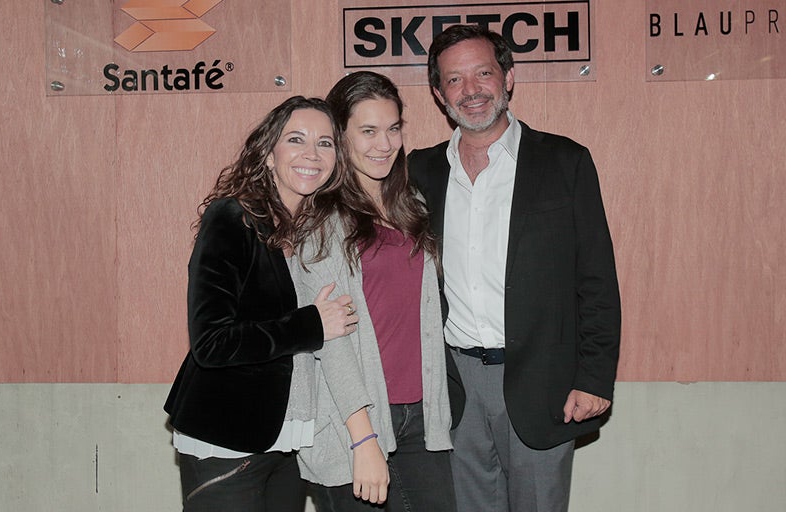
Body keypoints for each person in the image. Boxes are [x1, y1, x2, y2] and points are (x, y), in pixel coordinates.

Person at [407, 25, 622, 512]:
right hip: (454, 386)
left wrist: (594, 378)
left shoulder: (564, 162)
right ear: (439, 94)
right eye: (454, 79)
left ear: (507, 77)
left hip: (543, 381)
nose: (471, 90)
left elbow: (596, 281)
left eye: (483, 73)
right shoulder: (419, 172)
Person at [163, 96, 361, 512]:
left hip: (286, 441)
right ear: (269, 155)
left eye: (325, 143)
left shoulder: (310, 231)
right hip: (225, 439)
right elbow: (212, 343)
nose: (312, 153)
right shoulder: (231, 218)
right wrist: (312, 325)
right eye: (296, 139)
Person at [291, 71, 456, 511]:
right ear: (340, 136)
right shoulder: (319, 220)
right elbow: (332, 339)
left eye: (393, 128)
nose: (384, 144)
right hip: (354, 421)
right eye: (368, 131)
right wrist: (362, 438)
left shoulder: (411, 205)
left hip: (421, 415)